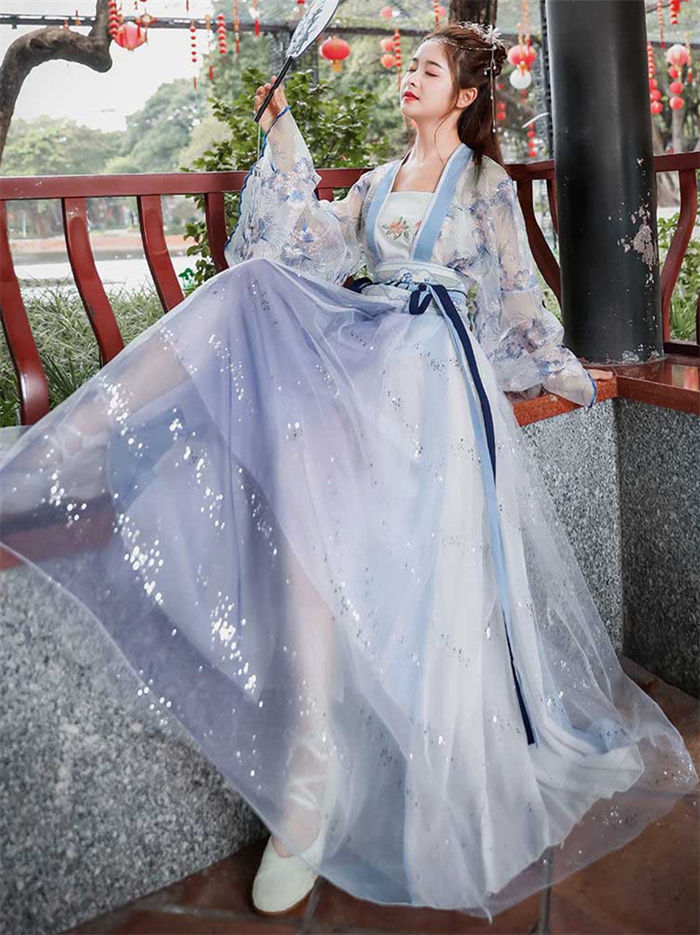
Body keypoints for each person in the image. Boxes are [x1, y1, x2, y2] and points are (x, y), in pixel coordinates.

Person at [0, 20, 695, 925]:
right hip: (369, 348)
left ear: (466, 96)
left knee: (311, 484)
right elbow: (300, 247)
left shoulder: (483, 186)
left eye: (429, 70)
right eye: (411, 66)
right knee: (251, 299)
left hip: (432, 369)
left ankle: (308, 781)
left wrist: (561, 371)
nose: (410, 77)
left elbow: (519, 295)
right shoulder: (375, 181)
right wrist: (281, 128)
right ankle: (81, 440)